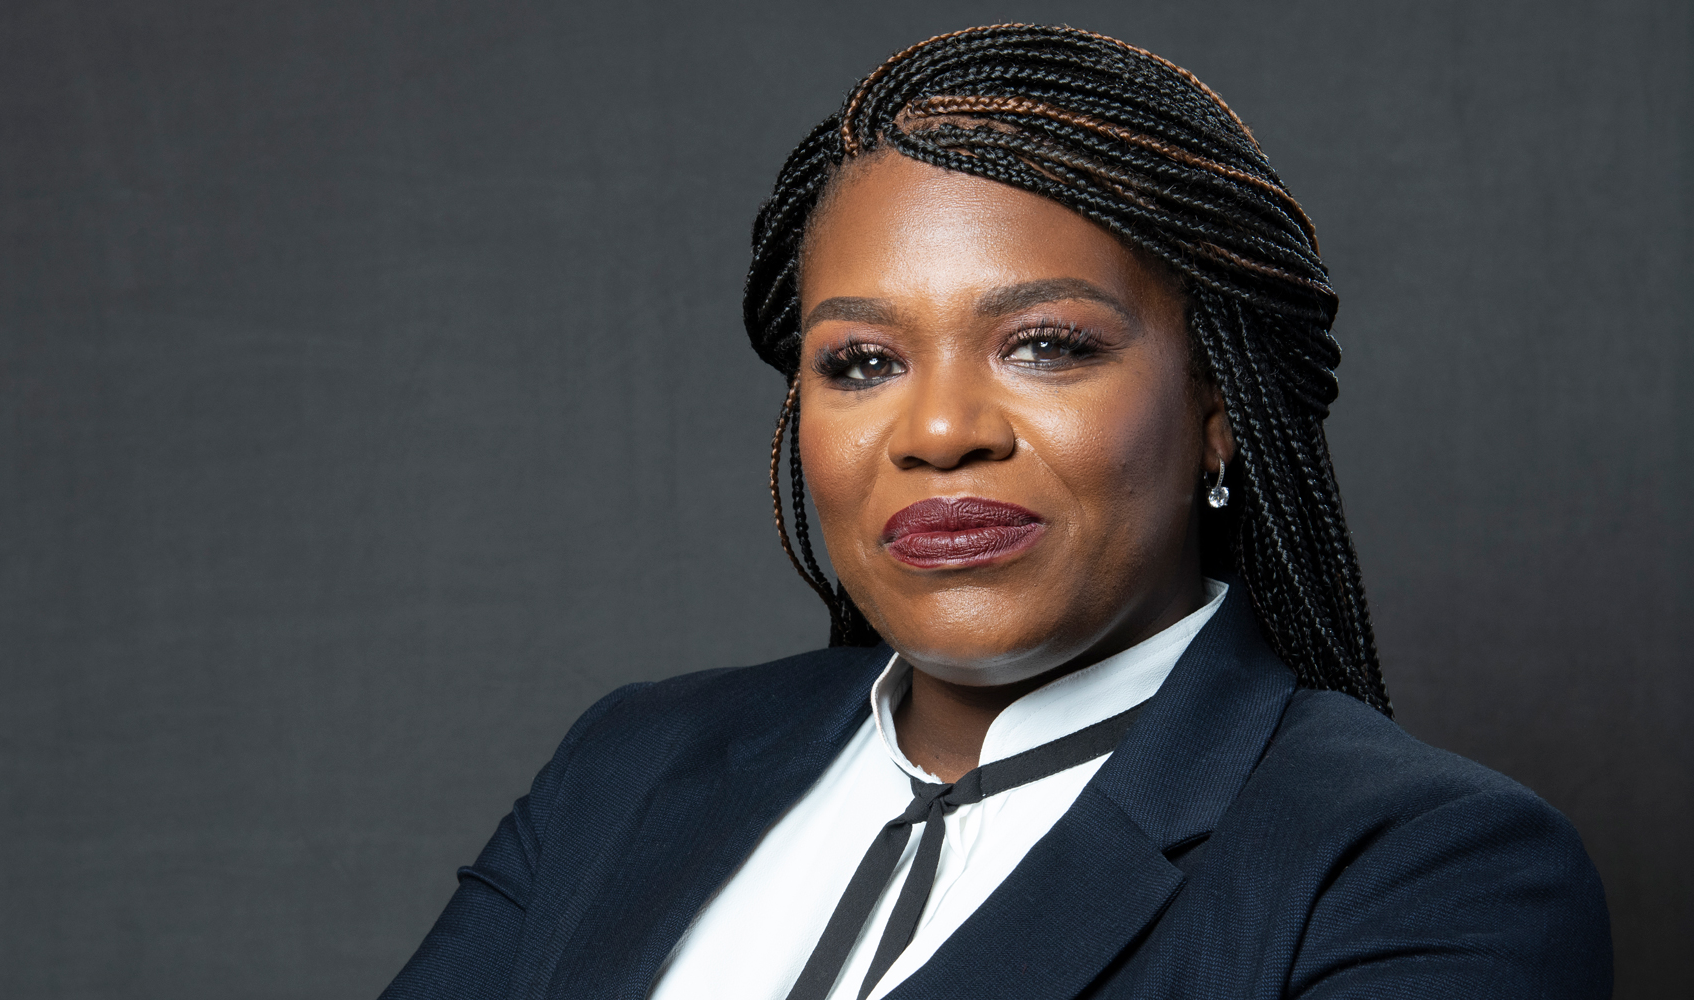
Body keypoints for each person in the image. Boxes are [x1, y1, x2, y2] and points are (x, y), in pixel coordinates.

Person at [380, 24, 1611, 1000]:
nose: (936, 430)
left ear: (1218, 407)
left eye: (1044, 344)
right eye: (861, 361)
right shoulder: (630, 765)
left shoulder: (1422, 868)